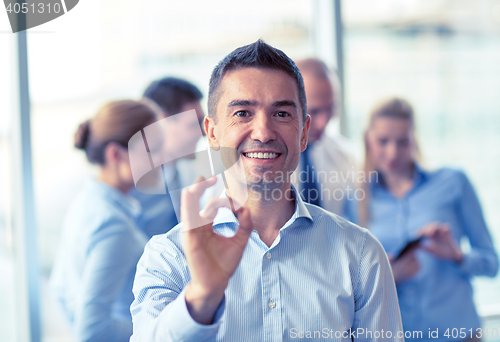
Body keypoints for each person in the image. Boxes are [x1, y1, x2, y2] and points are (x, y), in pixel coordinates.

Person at [130, 40, 403, 342]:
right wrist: (201, 298)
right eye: (243, 113)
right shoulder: (167, 257)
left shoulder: (362, 255)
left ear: (304, 133)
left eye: (282, 114)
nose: (263, 132)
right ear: (211, 133)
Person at [357, 97, 499, 342]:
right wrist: (388, 276)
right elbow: (351, 286)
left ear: (414, 140)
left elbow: (491, 263)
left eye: (403, 142)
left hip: (458, 333)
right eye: (383, 141)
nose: (392, 151)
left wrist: (457, 255)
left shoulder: (453, 182)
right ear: (368, 139)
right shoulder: (356, 200)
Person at [50, 100, 161, 342]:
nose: (162, 161)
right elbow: (91, 331)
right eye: (153, 150)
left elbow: (60, 289)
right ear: (115, 154)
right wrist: (158, 328)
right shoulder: (114, 225)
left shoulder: (86, 202)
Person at [130, 77, 206, 238]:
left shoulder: (187, 172)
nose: (205, 132)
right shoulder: (134, 186)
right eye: (195, 124)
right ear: (162, 121)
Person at [291, 58, 357, 215]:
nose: (322, 123)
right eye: (314, 111)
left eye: (330, 109)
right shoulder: (258, 161)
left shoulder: (346, 157)